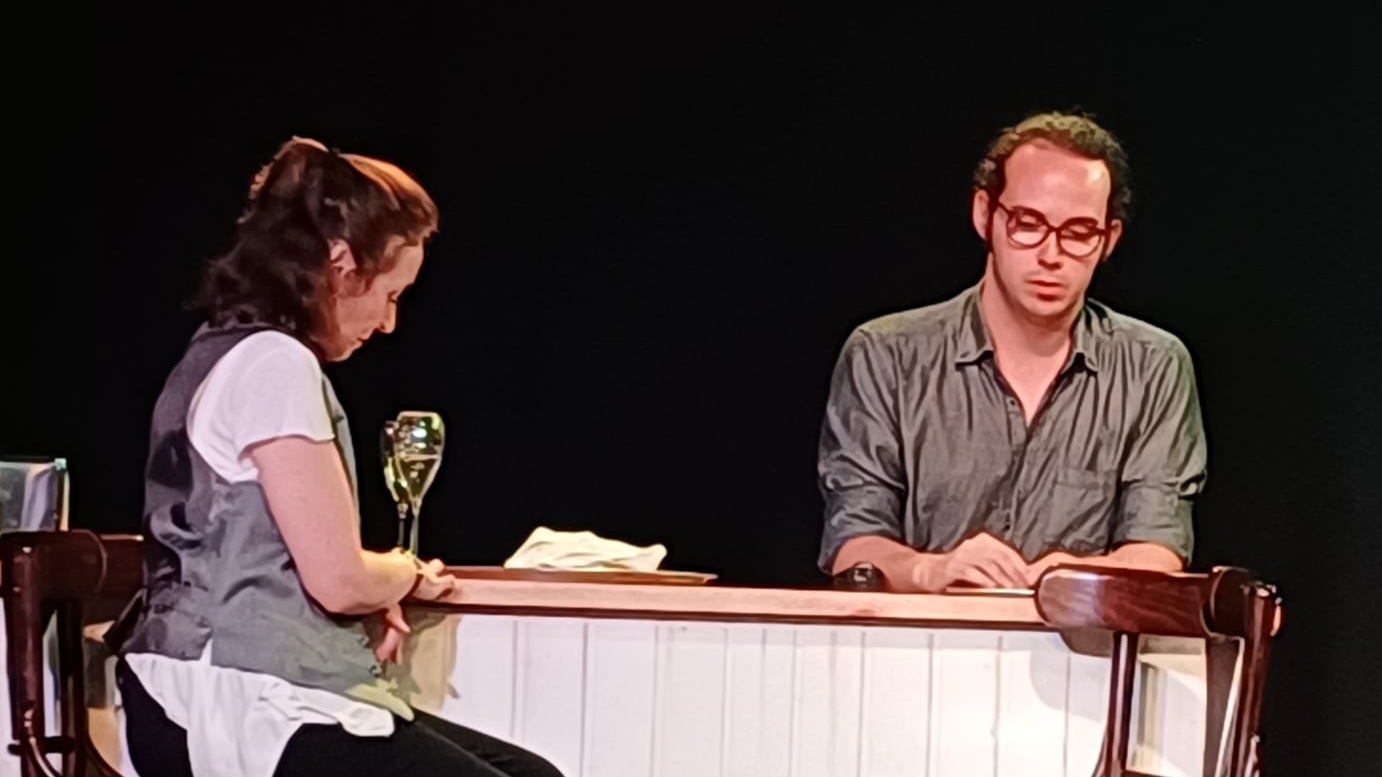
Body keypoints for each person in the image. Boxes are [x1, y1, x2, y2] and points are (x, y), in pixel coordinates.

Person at [109, 138, 562, 777]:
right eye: (392, 295)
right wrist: (406, 574)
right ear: (342, 264)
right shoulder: (275, 363)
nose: (389, 322)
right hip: (233, 700)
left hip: (188, 690)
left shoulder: (220, 350)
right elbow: (339, 580)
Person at [817, 111, 1207, 592]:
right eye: (1028, 223)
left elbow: (1158, 548)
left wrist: (1081, 578)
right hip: (927, 635)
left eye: (1079, 232)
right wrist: (932, 570)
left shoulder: (1153, 366)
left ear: (1109, 240)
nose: (1050, 254)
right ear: (985, 214)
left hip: (1083, 638)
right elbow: (853, 544)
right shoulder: (886, 356)